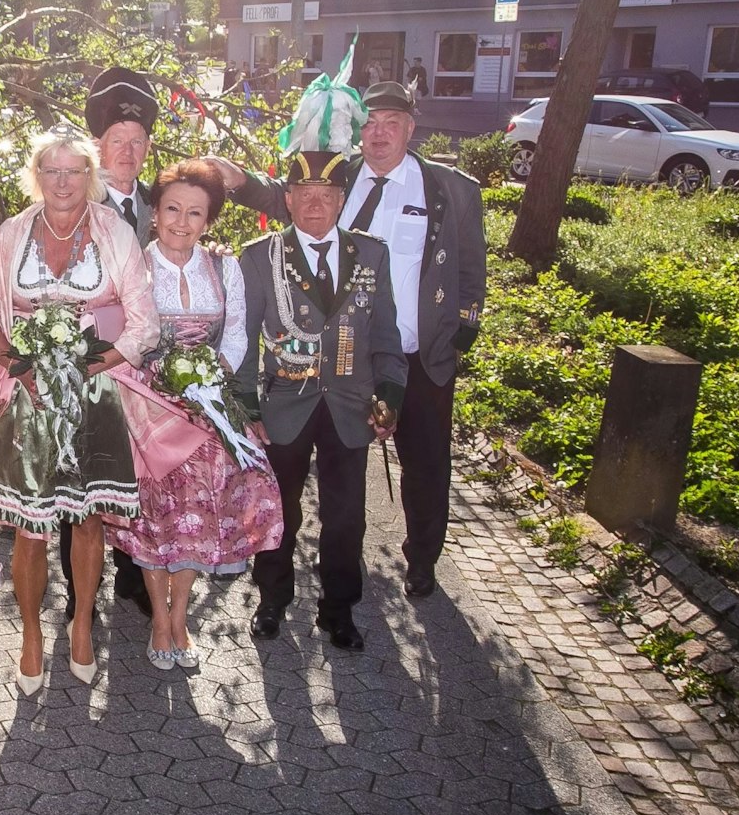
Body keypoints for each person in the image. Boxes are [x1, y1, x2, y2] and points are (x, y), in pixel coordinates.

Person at [214, 81, 486, 598]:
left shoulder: (450, 189)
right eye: (370, 124)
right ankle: (314, 583)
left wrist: (461, 332)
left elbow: (471, 267)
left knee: (427, 463)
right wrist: (238, 179)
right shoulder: (342, 177)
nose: (379, 134)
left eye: (392, 124)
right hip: (345, 360)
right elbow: (290, 197)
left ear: (411, 128)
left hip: (419, 353)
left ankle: (423, 559)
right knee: (340, 483)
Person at [0, 126, 160, 693]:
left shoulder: (115, 233)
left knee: (87, 521)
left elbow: (144, 322)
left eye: (74, 171)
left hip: (94, 393)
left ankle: (82, 625)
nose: (63, 182)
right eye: (52, 171)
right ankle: (31, 635)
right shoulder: (10, 236)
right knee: (32, 528)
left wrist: (90, 366)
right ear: (36, 176)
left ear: (92, 176)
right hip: (27, 395)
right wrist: (20, 366)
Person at [104, 159, 283, 668]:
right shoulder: (133, 265)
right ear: (154, 213)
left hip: (205, 405)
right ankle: (159, 622)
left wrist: (204, 377)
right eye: (172, 210)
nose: (182, 223)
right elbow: (122, 333)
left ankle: (179, 618)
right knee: (155, 518)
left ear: (209, 220)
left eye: (195, 213)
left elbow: (237, 335)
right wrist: (164, 378)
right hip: (147, 407)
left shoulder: (225, 267)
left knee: (196, 519)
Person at [235, 149, 407, 651]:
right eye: (304, 195)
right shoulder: (259, 257)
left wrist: (390, 395)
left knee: (347, 514)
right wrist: (247, 408)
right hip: (285, 403)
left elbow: (386, 335)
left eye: (326, 196)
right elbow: (244, 341)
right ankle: (272, 601)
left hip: (350, 406)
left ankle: (338, 609)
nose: (315, 205)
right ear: (287, 200)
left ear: (340, 200)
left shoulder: (371, 255)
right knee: (279, 511)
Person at [82, 66, 167, 620]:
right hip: (93, 361)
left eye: (137, 143)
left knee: (140, 472)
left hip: (144, 361)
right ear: (99, 145)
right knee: (88, 476)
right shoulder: (77, 201)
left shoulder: (161, 205)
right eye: (118, 142)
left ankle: (133, 576)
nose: (128, 152)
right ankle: (78, 589)